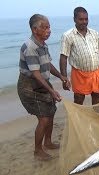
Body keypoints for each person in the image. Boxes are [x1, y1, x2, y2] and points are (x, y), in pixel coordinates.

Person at [17, 14, 69, 160]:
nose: (49, 30)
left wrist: (61, 76)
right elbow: (36, 74)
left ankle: (48, 142)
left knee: (51, 112)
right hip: (30, 86)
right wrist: (52, 91)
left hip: (42, 83)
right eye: (44, 27)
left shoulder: (42, 44)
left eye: (49, 27)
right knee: (44, 118)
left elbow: (48, 65)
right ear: (35, 29)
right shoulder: (30, 47)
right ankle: (38, 151)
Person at [59, 7, 99, 112]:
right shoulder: (68, 36)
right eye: (81, 19)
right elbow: (63, 57)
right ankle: (80, 121)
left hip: (96, 72)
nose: (84, 22)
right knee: (79, 99)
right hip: (79, 74)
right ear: (74, 19)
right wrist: (64, 78)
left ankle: (96, 118)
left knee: (96, 96)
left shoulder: (94, 33)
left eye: (86, 19)